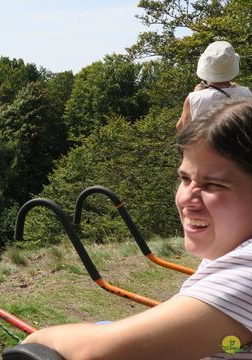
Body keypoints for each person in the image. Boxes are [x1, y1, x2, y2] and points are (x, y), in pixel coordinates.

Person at [23, 99, 252, 359]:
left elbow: (99, 353)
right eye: (185, 178)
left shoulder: (247, 271)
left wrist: (37, 339)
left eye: (212, 185)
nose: (187, 198)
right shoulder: (229, 249)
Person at [176, 41, 252, 132]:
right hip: (239, 145)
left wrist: (197, 93)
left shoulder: (194, 98)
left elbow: (182, 128)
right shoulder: (246, 93)